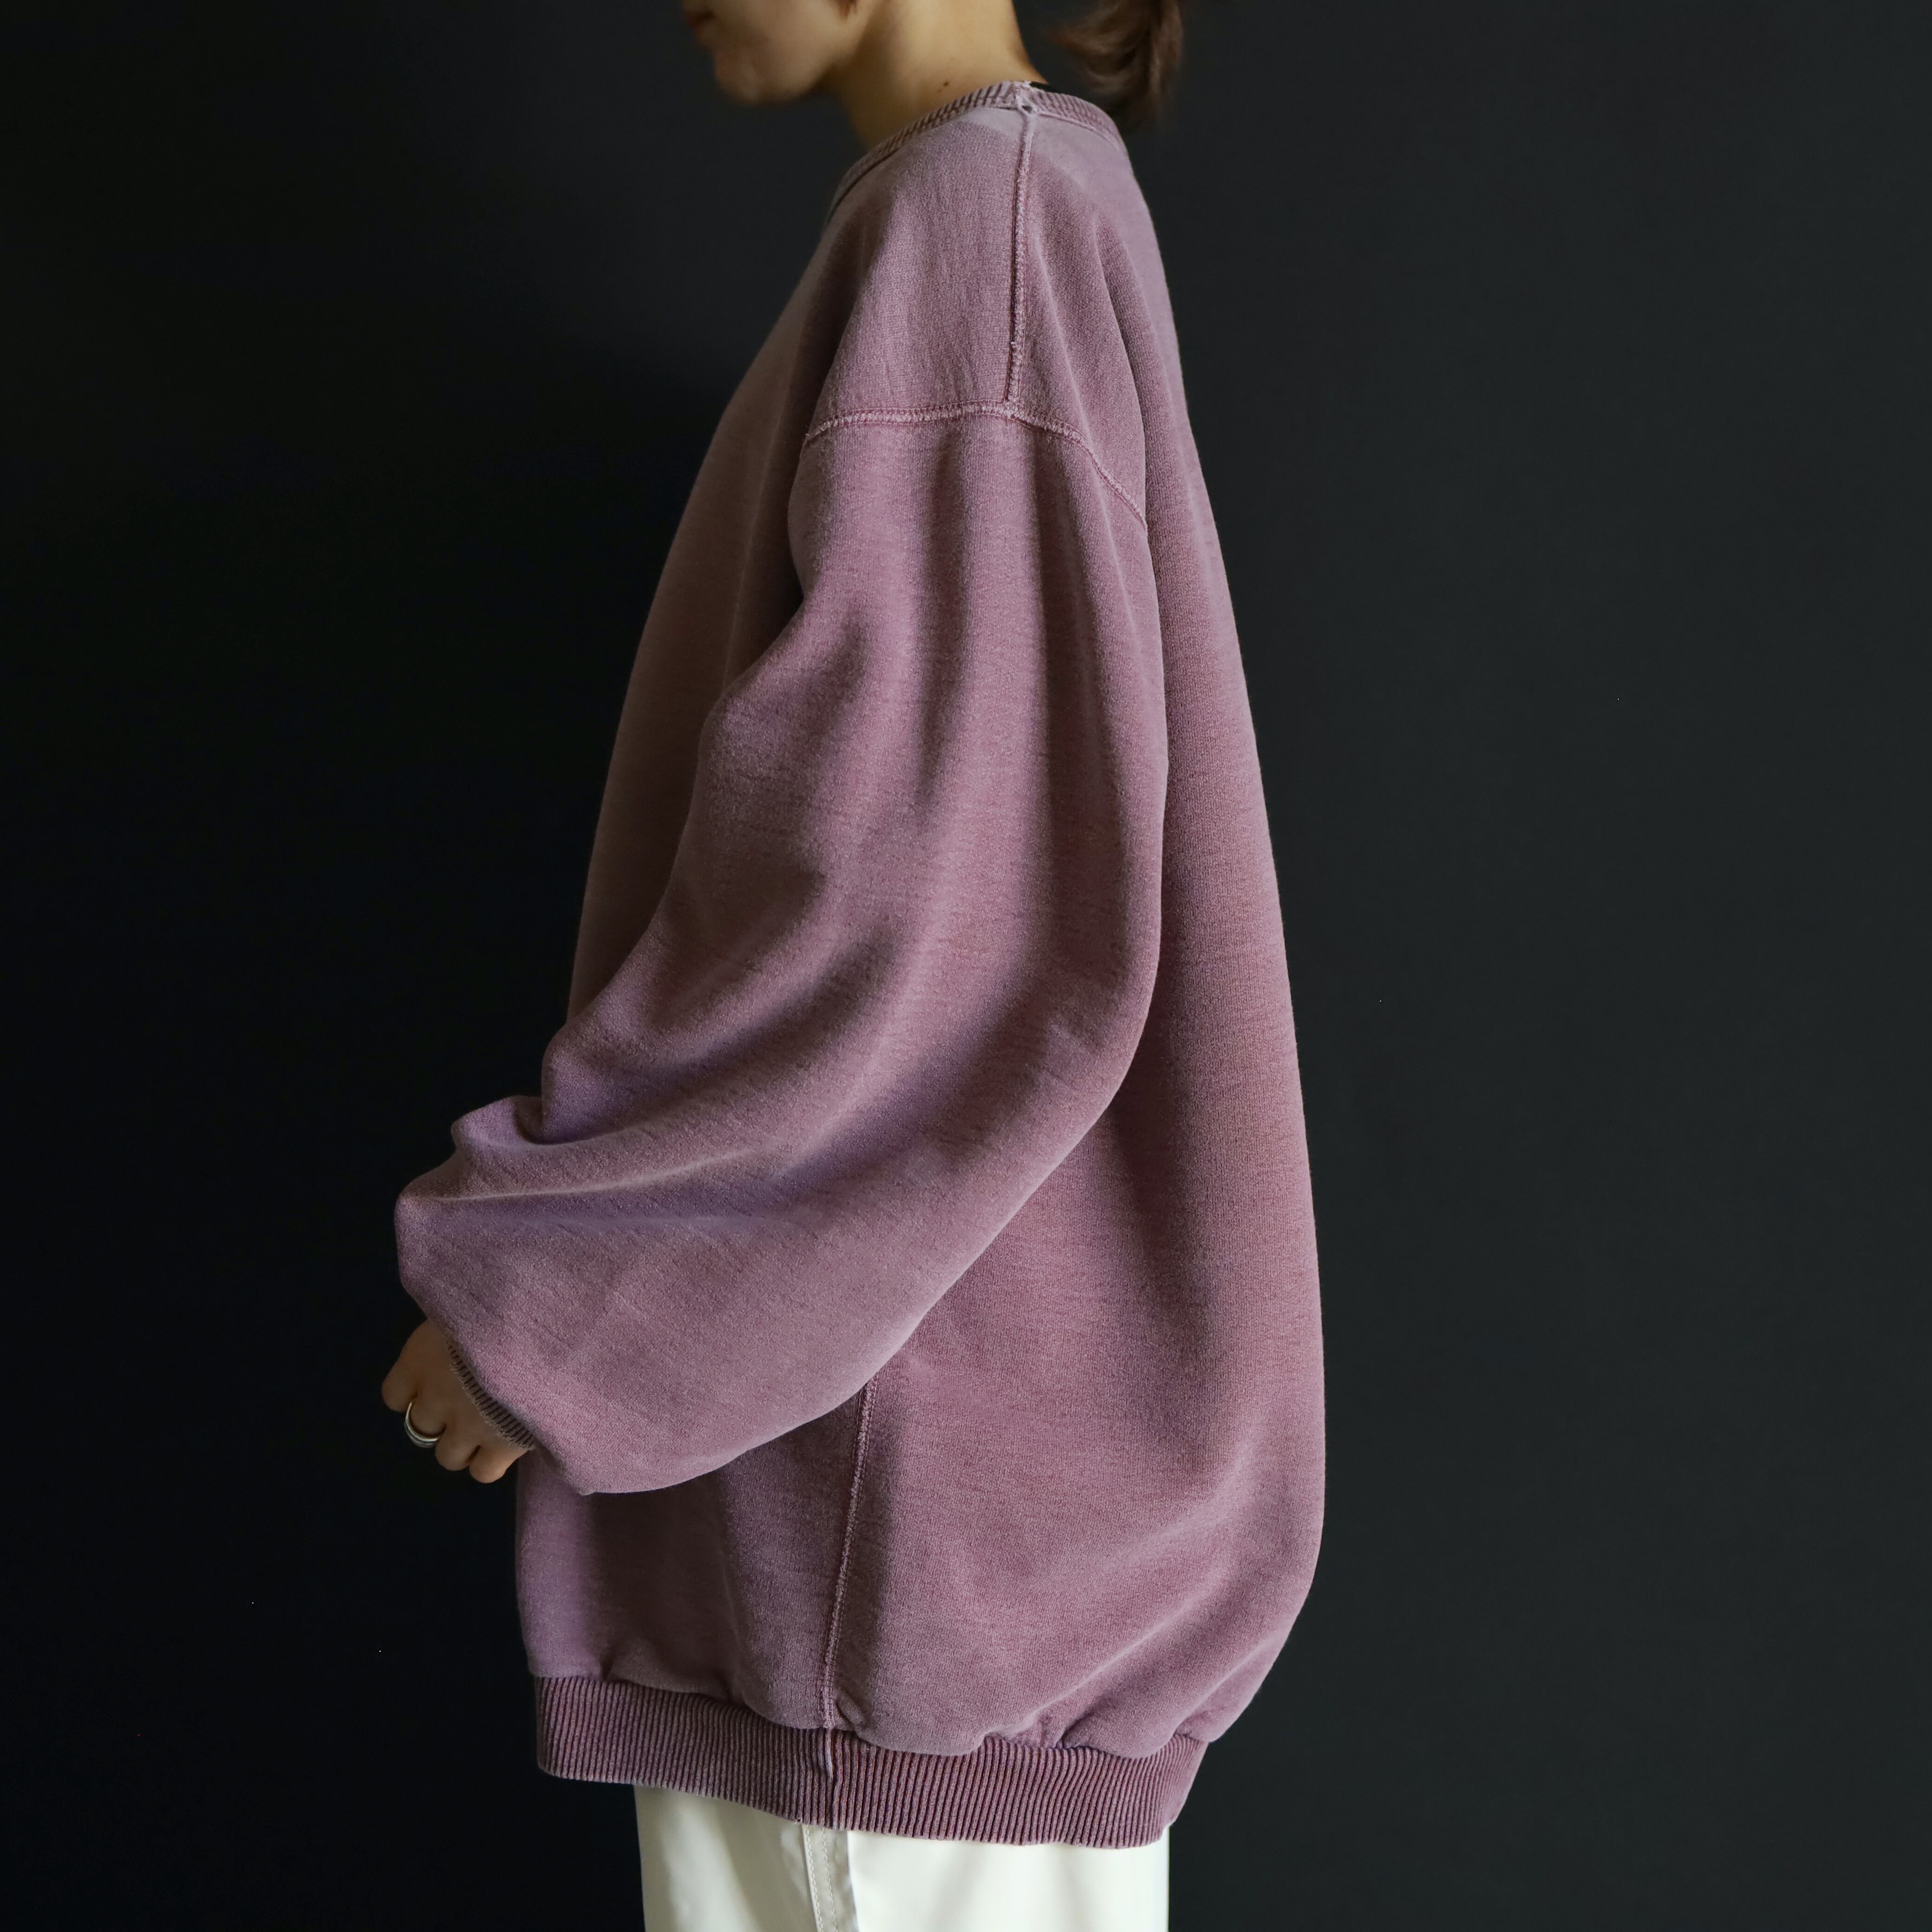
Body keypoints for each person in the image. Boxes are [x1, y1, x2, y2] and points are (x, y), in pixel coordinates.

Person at [379, 0, 1324, 1925]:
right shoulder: (999, 213)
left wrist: (565, 1302)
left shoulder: (979, 234)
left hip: (903, 1556)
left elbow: (925, 925)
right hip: (943, 1541)